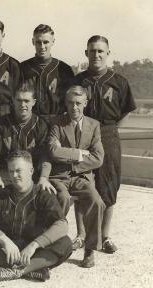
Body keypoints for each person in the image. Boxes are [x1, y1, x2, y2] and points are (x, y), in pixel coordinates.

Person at [74, 35, 136, 254]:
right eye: (92, 51)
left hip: (108, 133)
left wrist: (109, 129)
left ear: (108, 53)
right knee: (80, 181)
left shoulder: (118, 81)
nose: (96, 55)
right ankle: (81, 235)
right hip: (83, 133)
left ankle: (105, 236)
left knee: (109, 185)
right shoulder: (78, 80)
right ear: (86, 53)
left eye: (101, 51)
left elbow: (127, 109)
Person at [0, 150, 72, 282]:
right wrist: (5, 241)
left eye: (19, 170)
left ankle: (19, 270)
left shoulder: (44, 195)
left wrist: (34, 245)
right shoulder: (1, 194)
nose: (14, 175)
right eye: (11, 171)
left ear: (31, 171)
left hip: (33, 250)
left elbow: (62, 224)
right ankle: (33, 269)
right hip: (7, 250)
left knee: (65, 243)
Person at [48, 85, 106, 268]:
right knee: (61, 198)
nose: (74, 107)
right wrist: (81, 154)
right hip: (59, 177)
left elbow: (98, 158)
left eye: (79, 103)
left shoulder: (94, 125)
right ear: (65, 103)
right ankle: (52, 244)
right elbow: (52, 151)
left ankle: (89, 249)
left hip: (82, 177)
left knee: (96, 201)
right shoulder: (56, 122)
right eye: (71, 103)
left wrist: (67, 156)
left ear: (85, 103)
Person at [0, 85, 55, 194]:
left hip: (31, 173)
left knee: (46, 194)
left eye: (26, 101)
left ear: (33, 102)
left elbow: (45, 156)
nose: (22, 105)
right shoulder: (0, 123)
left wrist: (44, 177)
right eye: (19, 100)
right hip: (6, 172)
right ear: (13, 101)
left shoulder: (41, 125)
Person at [21, 24, 74, 119]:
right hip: (30, 121)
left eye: (46, 42)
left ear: (53, 42)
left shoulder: (64, 69)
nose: (42, 46)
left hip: (57, 121)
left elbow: (71, 100)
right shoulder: (22, 68)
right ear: (33, 42)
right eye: (38, 42)